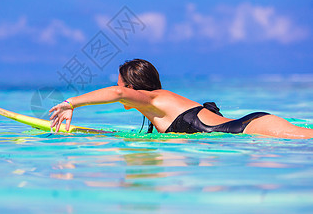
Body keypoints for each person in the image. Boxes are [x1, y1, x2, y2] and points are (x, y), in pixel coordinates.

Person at [49, 59, 313, 139]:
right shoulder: (159, 105)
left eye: (120, 83)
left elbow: (117, 94)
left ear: (131, 87)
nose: (119, 90)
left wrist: (70, 103)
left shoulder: (153, 99)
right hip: (253, 126)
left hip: (254, 128)